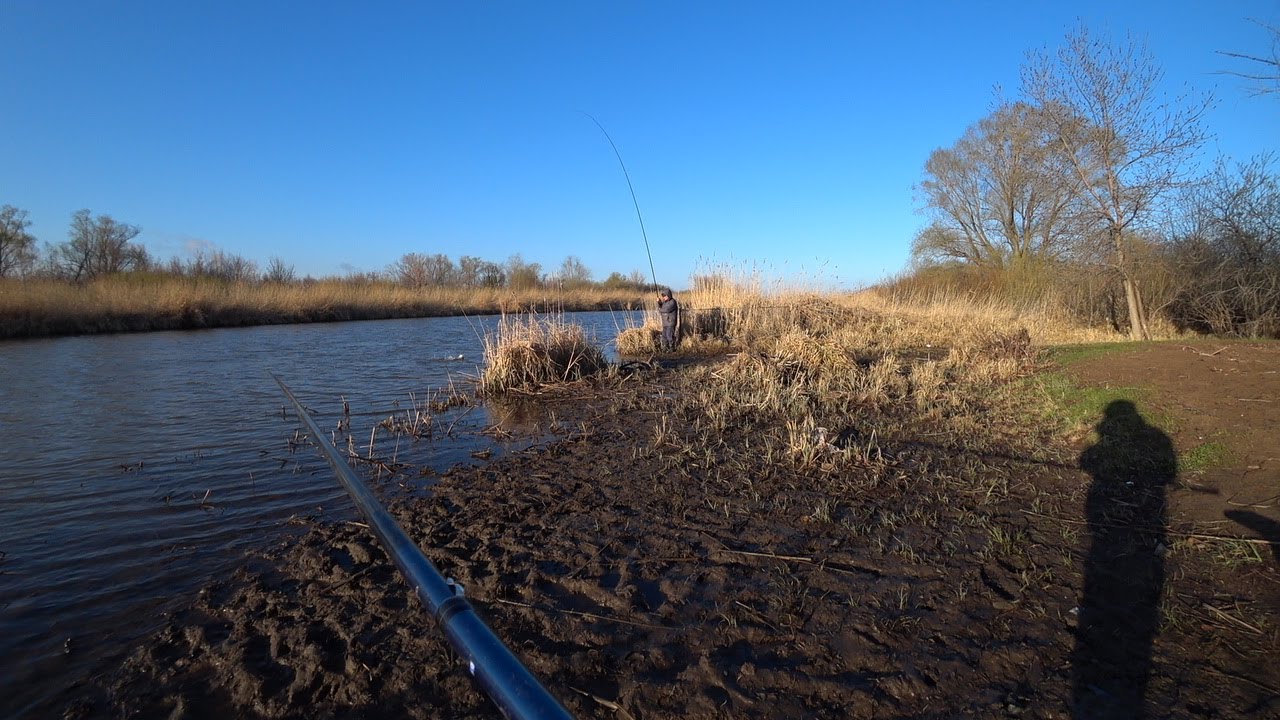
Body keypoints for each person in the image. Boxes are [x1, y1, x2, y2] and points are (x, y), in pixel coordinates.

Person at [656, 288, 679, 352]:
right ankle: (664, 349)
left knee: (669, 336)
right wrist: (659, 302)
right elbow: (661, 307)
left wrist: (660, 310)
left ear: (668, 295)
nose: (664, 298)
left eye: (665, 296)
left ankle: (672, 348)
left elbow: (666, 310)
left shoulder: (673, 302)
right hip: (665, 323)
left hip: (670, 322)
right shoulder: (664, 302)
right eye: (663, 296)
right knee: (664, 337)